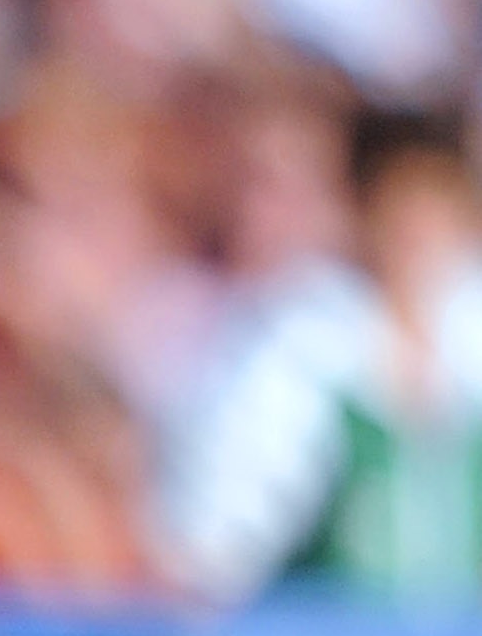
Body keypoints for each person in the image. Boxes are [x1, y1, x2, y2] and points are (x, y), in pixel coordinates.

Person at [159, 104, 482, 603]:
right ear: (363, 209)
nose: (421, 232)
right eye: (404, 207)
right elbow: (219, 540)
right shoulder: (299, 352)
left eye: (439, 207)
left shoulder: (468, 343)